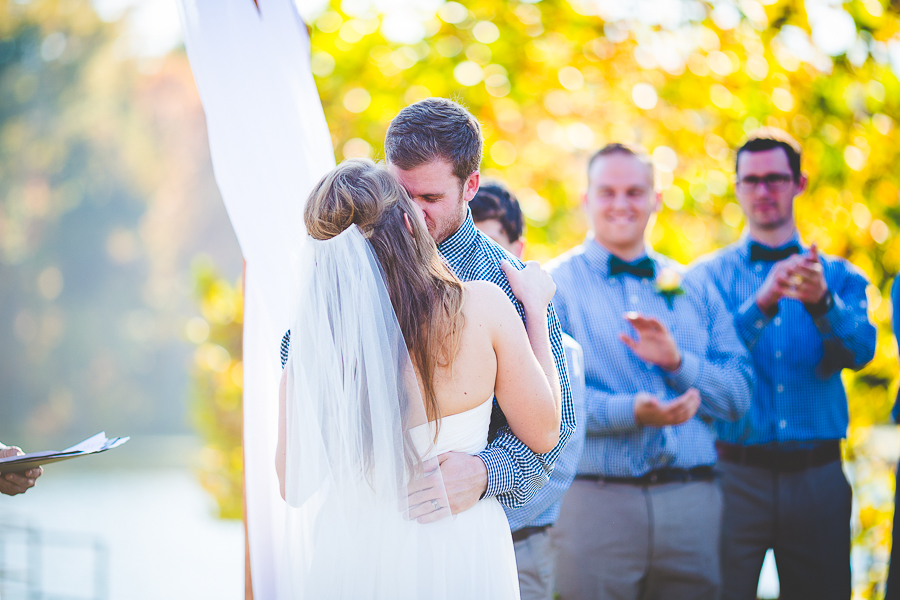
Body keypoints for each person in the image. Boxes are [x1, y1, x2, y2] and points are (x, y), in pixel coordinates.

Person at [275, 158, 561, 598]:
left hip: (353, 553)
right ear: (407, 227)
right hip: (456, 545)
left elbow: (294, 486)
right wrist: (536, 312)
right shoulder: (483, 307)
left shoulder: (314, 342)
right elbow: (544, 432)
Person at [280, 99, 575, 520]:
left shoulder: (508, 284)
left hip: (479, 529)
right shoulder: (348, 275)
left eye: (431, 197)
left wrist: (486, 473)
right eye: (404, 195)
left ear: (470, 186)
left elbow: (554, 435)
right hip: (367, 524)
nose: (414, 214)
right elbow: (299, 364)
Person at [549, 143, 753, 600]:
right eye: (608, 192)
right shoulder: (552, 287)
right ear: (585, 199)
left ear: (657, 199)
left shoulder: (694, 287)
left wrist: (679, 363)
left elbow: (739, 396)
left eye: (635, 192)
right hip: (596, 506)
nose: (621, 204)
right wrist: (632, 412)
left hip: (693, 506)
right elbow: (552, 405)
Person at [691, 128, 876, 600]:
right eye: (751, 180)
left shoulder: (839, 276)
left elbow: (861, 353)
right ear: (736, 188)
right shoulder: (705, 279)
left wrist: (822, 305)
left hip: (817, 478)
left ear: (800, 183)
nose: (763, 191)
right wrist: (762, 303)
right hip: (732, 476)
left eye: (775, 178)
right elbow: (700, 366)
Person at [472, 181, 587, 600]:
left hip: (522, 542)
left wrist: (481, 509)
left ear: (515, 251)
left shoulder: (559, 347)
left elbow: (559, 457)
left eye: (485, 243)